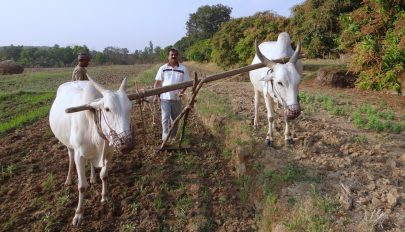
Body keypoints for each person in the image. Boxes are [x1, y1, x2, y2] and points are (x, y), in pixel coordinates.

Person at [154, 48, 190, 141]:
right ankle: (165, 137)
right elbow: (157, 83)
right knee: (165, 118)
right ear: (168, 56)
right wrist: (155, 95)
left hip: (176, 99)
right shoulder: (163, 68)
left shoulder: (183, 69)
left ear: (177, 56)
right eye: (171, 55)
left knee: (175, 119)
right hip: (165, 98)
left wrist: (181, 92)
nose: (173, 56)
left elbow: (186, 83)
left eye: (175, 55)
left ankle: (173, 136)